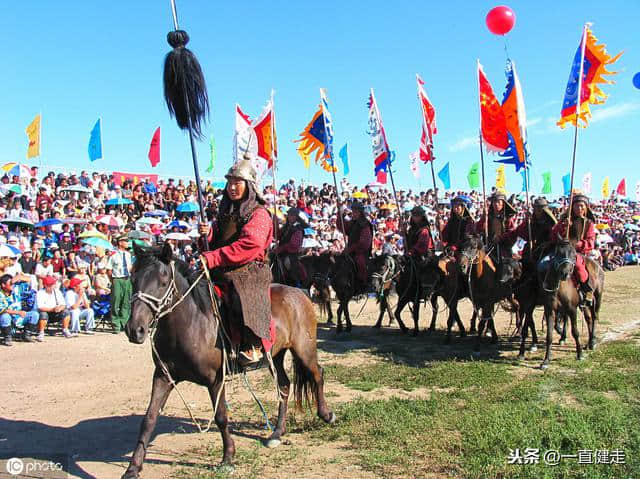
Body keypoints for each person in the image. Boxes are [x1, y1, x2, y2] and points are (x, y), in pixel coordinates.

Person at [199, 159, 273, 365]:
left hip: (249, 269)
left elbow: (249, 245)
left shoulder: (259, 214)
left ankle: (253, 344)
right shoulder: (225, 213)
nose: (232, 187)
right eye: (229, 183)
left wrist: (213, 258)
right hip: (222, 267)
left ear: (248, 185)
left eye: (237, 182)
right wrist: (207, 235)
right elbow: (217, 242)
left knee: (243, 295)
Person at [550, 194, 597, 305]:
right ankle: (547, 290)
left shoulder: (589, 224)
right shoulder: (564, 221)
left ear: (585, 208)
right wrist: (563, 226)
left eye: (581, 206)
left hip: (578, 252)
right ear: (572, 207)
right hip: (562, 252)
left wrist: (578, 244)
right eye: (576, 206)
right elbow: (553, 236)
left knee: (580, 268)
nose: (579, 209)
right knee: (547, 264)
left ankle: (587, 291)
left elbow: (591, 242)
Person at [338, 201, 373, 294]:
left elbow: (364, 242)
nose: (353, 213)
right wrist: (340, 215)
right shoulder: (353, 223)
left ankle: (363, 285)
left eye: (355, 211)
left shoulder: (365, 224)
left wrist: (351, 249)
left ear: (360, 212)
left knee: (360, 263)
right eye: (353, 211)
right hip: (349, 251)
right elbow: (343, 227)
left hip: (360, 252)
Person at [0, 274, 39, 346]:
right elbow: (2, 310)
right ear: (3, 285)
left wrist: (20, 277)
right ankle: (7, 337)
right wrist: (18, 312)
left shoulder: (16, 288)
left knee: (34, 315)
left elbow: (32, 280)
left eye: (13, 283)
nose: (12, 285)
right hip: (7, 319)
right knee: (5, 316)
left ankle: (26, 335)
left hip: (18, 317)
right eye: (10, 283)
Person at [475, 192, 517, 259]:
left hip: (504, 247)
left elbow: (512, 232)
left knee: (508, 265)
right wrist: (484, 217)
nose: (496, 204)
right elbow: (478, 229)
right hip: (488, 245)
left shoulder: (508, 217)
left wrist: (501, 238)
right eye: (494, 202)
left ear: (503, 203)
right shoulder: (487, 216)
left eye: (498, 202)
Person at [274, 207, 307, 286]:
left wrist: (280, 249)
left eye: (292, 215)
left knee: (288, 263)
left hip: (290, 254)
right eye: (289, 215)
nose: (290, 217)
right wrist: (275, 223)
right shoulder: (286, 227)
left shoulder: (298, 229)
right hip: (280, 251)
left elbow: (293, 245)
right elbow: (277, 235)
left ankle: (295, 283)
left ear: (296, 217)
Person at [108, 235, 133, 333]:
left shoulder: (128, 254)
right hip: (117, 279)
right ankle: (116, 324)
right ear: (120, 242)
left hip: (127, 279)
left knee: (126, 302)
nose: (127, 243)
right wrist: (113, 280)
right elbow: (109, 269)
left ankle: (124, 322)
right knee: (116, 301)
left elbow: (129, 267)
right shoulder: (113, 254)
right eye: (125, 241)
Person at [36, 275, 71, 339]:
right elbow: (40, 307)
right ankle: (41, 332)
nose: (54, 285)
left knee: (66, 312)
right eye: (52, 284)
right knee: (43, 314)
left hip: (56, 312)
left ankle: (65, 330)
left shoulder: (57, 292)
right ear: (46, 285)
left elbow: (63, 304)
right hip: (46, 313)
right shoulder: (40, 293)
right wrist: (52, 309)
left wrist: (60, 308)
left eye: (54, 284)